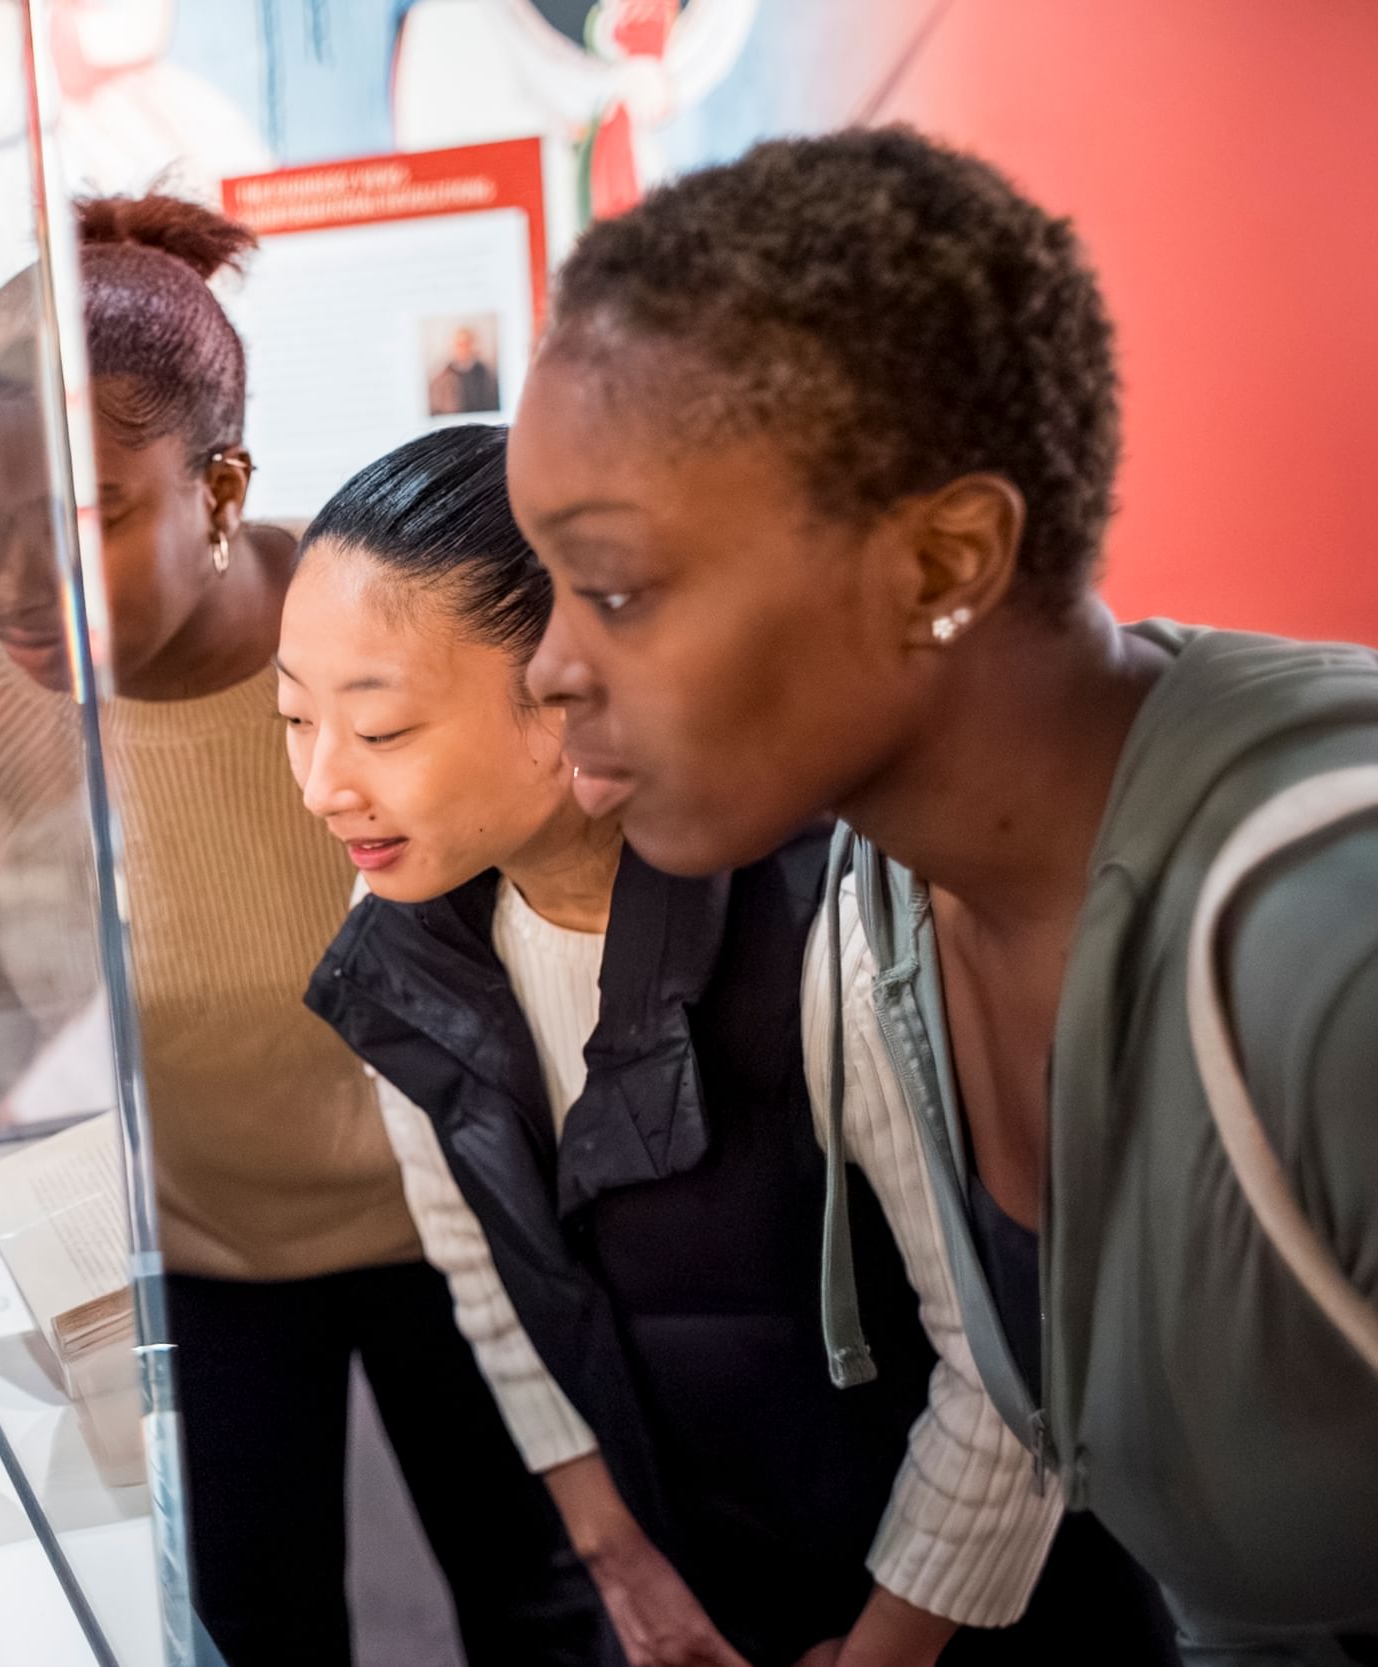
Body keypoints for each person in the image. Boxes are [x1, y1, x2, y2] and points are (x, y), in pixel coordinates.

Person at [506, 125, 1378, 1662]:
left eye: (620, 586)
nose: (550, 665)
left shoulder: (1333, 955)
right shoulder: (893, 908)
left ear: (942, 559)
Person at [285, 424, 1177, 1667]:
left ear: (569, 695)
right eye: (293, 718)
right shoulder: (401, 936)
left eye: (377, 733)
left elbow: (1008, 1357)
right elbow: (488, 1272)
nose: (322, 783)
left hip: (987, 1606)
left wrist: (886, 1647)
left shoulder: (842, 926)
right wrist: (618, 1559)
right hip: (711, 1582)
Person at [0, 194, 603, 1665]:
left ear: (218, 486)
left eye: (82, 519)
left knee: (548, 1599)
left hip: (462, 1220)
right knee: (251, 1621)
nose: (16, 580)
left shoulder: (372, 635)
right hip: (194, 1251)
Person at [430, 326, 502, 416]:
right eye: (460, 344)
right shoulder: (442, 379)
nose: (464, 349)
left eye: (467, 344)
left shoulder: (487, 375)